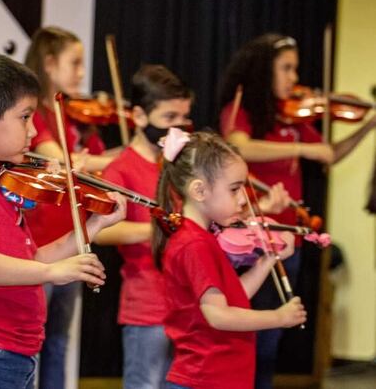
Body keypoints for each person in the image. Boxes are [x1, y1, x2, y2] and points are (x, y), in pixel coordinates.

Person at [0, 51, 126, 389]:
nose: (33, 132)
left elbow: (28, 260)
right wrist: (50, 274)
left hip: (9, 350)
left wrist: (93, 227)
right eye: (25, 117)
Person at [217, 33, 376, 388]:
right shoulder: (241, 111)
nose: (293, 78)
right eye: (286, 68)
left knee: (272, 337)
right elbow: (238, 147)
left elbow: (329, 154)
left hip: (288, 240)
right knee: (247, 333)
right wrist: (303, 150)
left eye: (295, 69)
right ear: (264, 70)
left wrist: (369, 125)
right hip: (249, 241)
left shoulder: (295, 120)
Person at [151, 129, 306, 389]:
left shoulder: (203, 237)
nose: (244, 198)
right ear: (199, 191)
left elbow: (234, 295)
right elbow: (219, 315)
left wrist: (268, 259)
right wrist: (278, 318)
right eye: (234, 189)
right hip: (205, 379)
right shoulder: (194, 244)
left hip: (220, 377)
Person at [23, 26, 118, 389]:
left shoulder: (77, 115)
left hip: (74, 237)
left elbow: (93, 160)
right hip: (43, 243)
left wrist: (133, 150)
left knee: (59, 342)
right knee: (33, 339)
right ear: (49, 64)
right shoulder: (36, 114)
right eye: (74, 63)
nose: (82, 73)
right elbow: (56, 157)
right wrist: (90, 161)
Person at [93, 65, 193, 388]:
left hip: (185, 304)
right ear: (138, 116)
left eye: (183, 118)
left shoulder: (177, 167)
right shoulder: (119, 170)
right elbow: (101, 231)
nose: (178, 127)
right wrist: (158, 228)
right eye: (169, 119)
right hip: (146, 305)